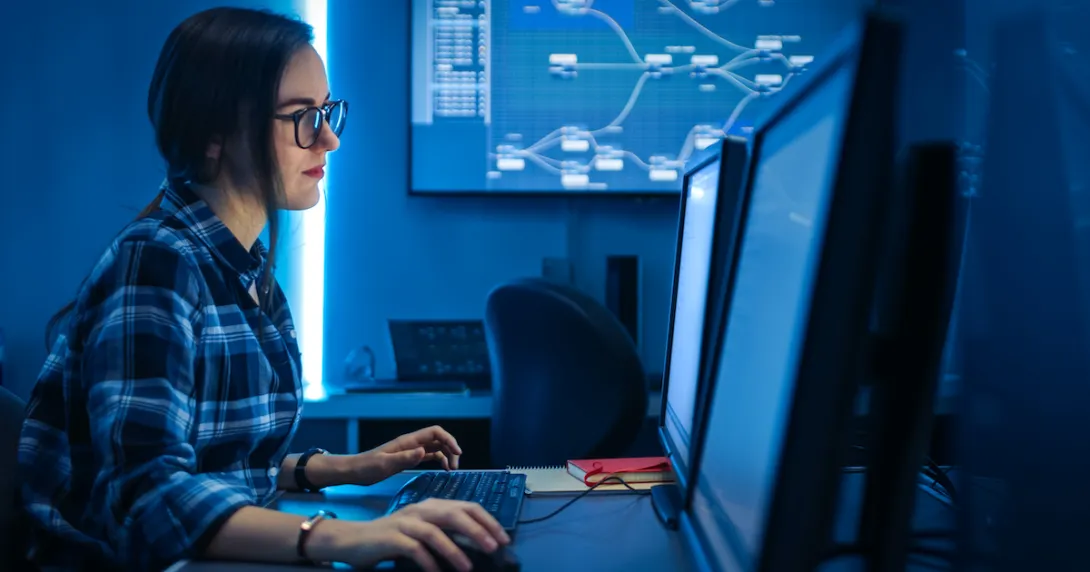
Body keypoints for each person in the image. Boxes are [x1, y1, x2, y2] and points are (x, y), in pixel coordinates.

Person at [16, 7, 508, 572]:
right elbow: (147, 500)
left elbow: (216, 467)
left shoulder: (246, 271)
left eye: (327, 112)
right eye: (302, 116)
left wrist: (350, 467)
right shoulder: (156, 262)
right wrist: (342, 538)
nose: (328, 140)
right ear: (213, 136)